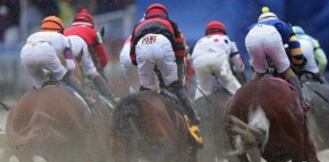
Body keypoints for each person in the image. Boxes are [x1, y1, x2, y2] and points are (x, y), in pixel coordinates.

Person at [130, 3, 203, 145]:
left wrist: (148, 68)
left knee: (145, 90)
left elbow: (133, 58)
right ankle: (193, 117)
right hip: (163, 44)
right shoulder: (170, 23)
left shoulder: (138, 26)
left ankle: (136, 120)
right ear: (164, 14)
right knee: (175, 86)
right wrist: (177, 73)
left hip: (142, 46)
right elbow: (180, 50)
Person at [245, 7, 308, 111]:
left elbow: (252, 54)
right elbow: (294, 45)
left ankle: (246, 100)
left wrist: (257, 67)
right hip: (272, 37)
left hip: (251, 38)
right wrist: (298, 61)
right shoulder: (282, 24)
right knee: (287, 71)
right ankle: (302, 103)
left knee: (258, 73)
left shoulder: (252, 27)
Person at [64, 8, 115, 108]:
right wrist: (100, 70)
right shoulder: (95, 32)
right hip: (78, 46)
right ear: (91, 23)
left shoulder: (66, 30)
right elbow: (104, 59)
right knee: (93, 73)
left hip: (62, 52)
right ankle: (111, 100)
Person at [192, 20, 245, 99]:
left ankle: (198, 110)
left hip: (199, 62)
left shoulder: (200, 41)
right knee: (230, 83)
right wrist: (237, 69)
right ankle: (249, 109)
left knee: (203, 89)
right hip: (219, 60)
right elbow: (239, 66)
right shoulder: (226, 39)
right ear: (223, 31)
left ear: (207, 32)